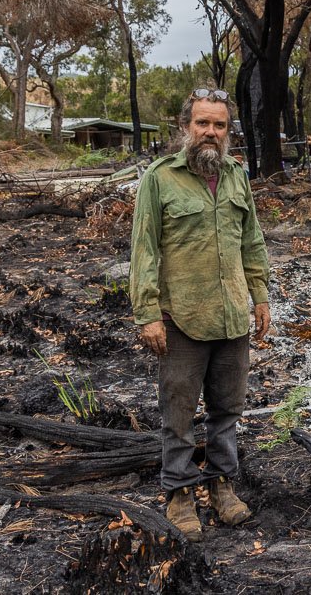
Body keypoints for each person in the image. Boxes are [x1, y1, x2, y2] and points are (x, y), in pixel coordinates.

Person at [129, 87, 271, 541]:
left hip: (231, 316)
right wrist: (147, 313)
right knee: (179, 411)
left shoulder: (235, 176)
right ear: (185, 127)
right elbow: (144, 250)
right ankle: (180, 492)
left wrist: (261, 295)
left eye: (219, 125)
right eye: (202, 123)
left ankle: (222, 486)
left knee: (227, 410)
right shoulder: (159, 178)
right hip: (181, 318)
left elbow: (251, 240)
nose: (210, 132)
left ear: (228, 132)